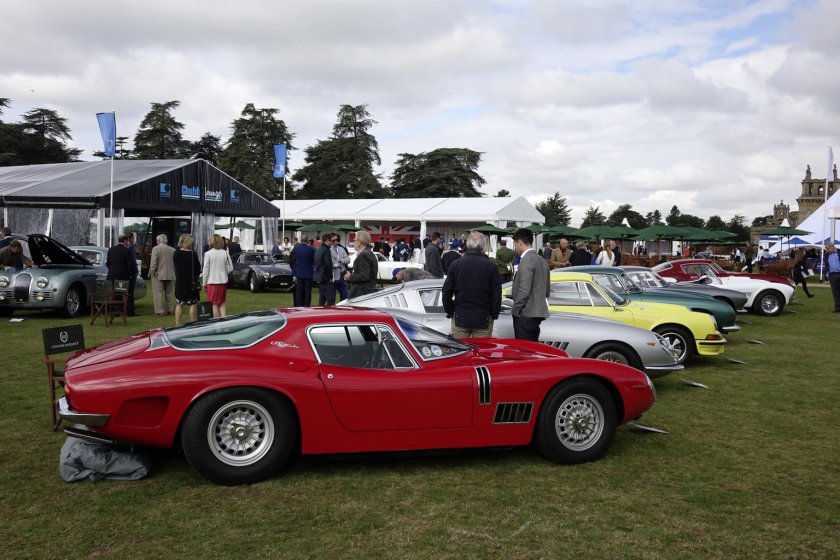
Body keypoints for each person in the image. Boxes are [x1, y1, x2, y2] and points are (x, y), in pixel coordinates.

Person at [442, 232, 502, 339]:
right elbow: (496, 294)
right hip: (483, 317)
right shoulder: (491, 266)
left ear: (468, 245)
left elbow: (446, 291)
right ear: (482, 246)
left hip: (460, 315)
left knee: (461, 352)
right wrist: (493, 314)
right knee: (481, 352)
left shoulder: (456, 265)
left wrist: (451, 311)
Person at [510, 228, 550, 341]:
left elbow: (524, 290)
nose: (515, 248)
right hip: (537, 312)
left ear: (520, 242)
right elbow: (547, 291)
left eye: (515, 244)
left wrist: (516, 309)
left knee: (524, 351)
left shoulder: (526, 260)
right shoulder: (541, 260)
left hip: (525, 313)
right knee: (532, 350)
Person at [105, 234, 138, 315]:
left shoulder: (111, 249)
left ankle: (116, 311)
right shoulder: (126, 251)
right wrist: (131, 274)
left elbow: (108, 264)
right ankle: (129, 311)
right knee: (128, 294)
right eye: (127, 241)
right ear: (125, 241)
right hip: (123, 276)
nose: (128, 243)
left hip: (113, 276)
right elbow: (130, 265)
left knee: (116, 293)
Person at [202, 233, 233, 318]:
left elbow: (206, 270)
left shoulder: (208, 253)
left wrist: (204, 283)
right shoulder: (225, 253)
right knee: (222, 303)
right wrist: (223, 272)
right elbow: (230, 268)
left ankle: (218, 324)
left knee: (214, 304)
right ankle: (224, 321)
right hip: (223, 282)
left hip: (212, 283)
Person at [173, 234, 201, 326]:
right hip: (191, 283)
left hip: (180, 282)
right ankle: (193, 324)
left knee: (179, 304)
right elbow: (198, 269)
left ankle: (177, 324)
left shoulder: (176, 253)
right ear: (189, 242)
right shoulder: (193, 255)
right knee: (193, 304)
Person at [344, 230, 378, 297]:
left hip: (361, 292)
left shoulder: (364, 255)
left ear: (360, 242)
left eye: (355, 240)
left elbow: (364, 276)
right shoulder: (368, 253)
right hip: (365, 291)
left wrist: (350, 276)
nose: (353, 242)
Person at [149, 234, 176, 316]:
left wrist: (153, 273)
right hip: (170, 274)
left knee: (158, 293)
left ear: (158, 241)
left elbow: (153, 263)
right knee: (169, 293)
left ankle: (160, 311)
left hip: (158, 275)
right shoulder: (173, 250)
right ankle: (170, 310)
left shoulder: (156, 249)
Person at [289, 235, 315, 306]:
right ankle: (306, 305)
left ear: (301, 240)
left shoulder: (296, 249)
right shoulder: (310, 249)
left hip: (299, 272)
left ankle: (299, 305)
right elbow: (313, 260)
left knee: (299, 291)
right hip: (308, 273)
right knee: (307, 292)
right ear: (307, 241)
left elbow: (293, 260)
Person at [313, 233, 335, 306]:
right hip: (326, 278)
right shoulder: (326, 250)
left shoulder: (319, 249)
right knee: (330, 299)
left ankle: (320, 313)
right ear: (327, 241)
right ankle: (329, 315)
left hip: (319, 277)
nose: (332, 243)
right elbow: (328, 265)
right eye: (331, 241)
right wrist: (330, 277)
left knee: (322, 299)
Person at [825, 243, 840, 312]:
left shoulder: (839, 252)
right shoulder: (826, 254)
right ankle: (837, 308)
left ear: (832, 247)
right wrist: (827, 274)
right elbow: (826, 265)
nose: (827, 250)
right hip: (832, 275)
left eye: (828, 248)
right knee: (835, 292)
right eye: (826, 248)